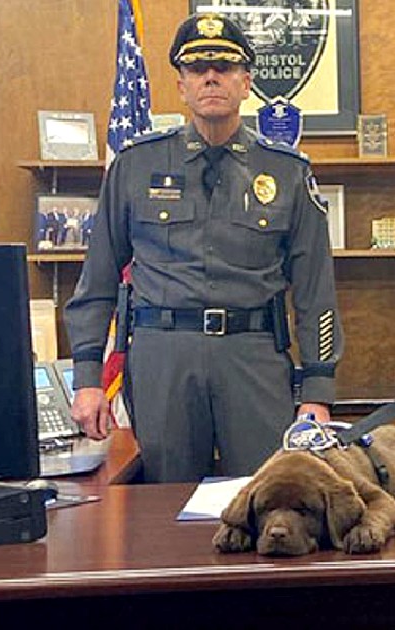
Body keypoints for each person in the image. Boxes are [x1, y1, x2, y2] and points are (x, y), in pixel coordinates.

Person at [64, 12, 343, 483]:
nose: (211, 76)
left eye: (225, 67)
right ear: (181, 84)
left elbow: (317, 293)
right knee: (165, 506)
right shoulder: (136, 166)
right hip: (163, 357)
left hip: (252, 357)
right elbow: (96, 281)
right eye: (197, 68)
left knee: (265, 497)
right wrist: (88, 377)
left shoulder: (287, 172)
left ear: (246, 81)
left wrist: (318, 388)